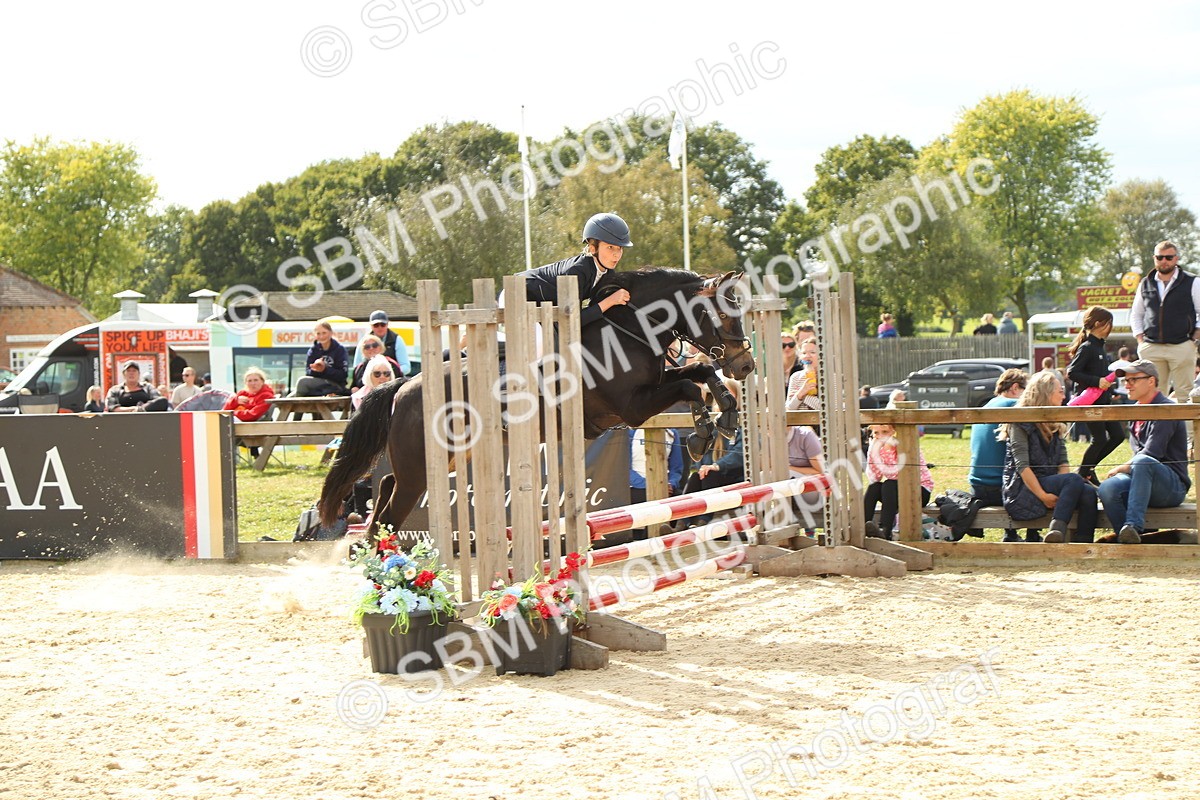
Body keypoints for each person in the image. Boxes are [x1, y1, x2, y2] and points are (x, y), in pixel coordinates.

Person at [1097, 360, 1191, 543]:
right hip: (1141, 481)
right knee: (1107, 488)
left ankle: (1133, 526)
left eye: (1133, 380)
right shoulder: (1136, 411)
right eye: (1125, 381)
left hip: (1172, 487)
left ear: (1151, 381)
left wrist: (1120, 468)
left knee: (1143, 461)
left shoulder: (1166, 409)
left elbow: (1151, 453)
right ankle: (1131, 538)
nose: (1127, 385)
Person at [999, 372, 1098, 544]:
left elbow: (1063, 461)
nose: (1064, 395)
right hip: (1022, 487)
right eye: (1060, 391)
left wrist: (1062, 486)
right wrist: (1043, 496)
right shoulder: (1019, 421)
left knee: (1088, 491)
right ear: (1046, 393)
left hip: (1046, 481)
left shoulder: (1055, 420)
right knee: (1073, 481)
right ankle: (1056, 531)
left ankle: (1083, 544)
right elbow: (1022, 466)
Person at [515, 212, 632, 327]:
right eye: (610, 247)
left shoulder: (608, 273)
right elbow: (572, 320)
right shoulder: (577, 271)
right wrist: (610, 301)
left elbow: (595, 311)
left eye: (619, 248)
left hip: (543, 309)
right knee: (542, 344)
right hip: (519, 294)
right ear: (593, 248)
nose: (617, 255)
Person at [966, 369, 1032, 542]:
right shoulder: (1013, 406)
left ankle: (1011, 534)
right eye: (1027, 390)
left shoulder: (986, 406)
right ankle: (1034, 533)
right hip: (1000, 488)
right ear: (1015, 388)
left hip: (977, 486)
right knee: (1039, 475)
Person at [1130, 240, 1200, 398]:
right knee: (1152, 395)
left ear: (1176, 259)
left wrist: (1194, 339)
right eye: (1160, 257)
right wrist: (1140, 340)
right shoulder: (1145, 283)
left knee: (1185, 394)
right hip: (1151, 346)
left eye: (1169, 257)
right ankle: (1155, 425)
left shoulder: (1193, 282)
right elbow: (1136, 314)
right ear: (1154, 258)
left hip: (1182, 345)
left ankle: (1186, 425)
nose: (1164, 261)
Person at [1066, 307, 1124, 486]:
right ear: (1099, 324)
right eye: (1109, 323)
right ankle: (1083, 473)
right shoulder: (1087, 347)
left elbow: (1102, 375)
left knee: (1118, 436)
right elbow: (1072, 373)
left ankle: (1087, 470)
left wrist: (1110, 391)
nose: (1111, 327)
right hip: (1090, 402)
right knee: (1099, 439)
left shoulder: (1100, 347)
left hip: (1104, 401)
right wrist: (1096, 381)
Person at [862, 423, 933, 540]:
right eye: (876, 433)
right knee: (874, 487)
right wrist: (872, 452)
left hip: (919, 491)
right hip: (895, 491)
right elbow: (875, 477)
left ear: (893, 431)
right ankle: (861, 527)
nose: (880, 436)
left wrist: (888, 451)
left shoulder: (904, 446)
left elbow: (900, 474)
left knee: (888, 484)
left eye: (885, 432)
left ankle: (885, 530)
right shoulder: (877, 447)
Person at [294, 321, 350, 397]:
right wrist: (316, 369)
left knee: (302, 382)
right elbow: (308, 372)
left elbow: (343, 375)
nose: (321, 336)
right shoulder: (313, 350)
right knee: (287, 398)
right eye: (318, 333)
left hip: (335, 385)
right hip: (317, 384)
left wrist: (324, 369)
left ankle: (297, 406)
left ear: (331, 333)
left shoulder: (340, 350)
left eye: (324, 333)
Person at [787, 425, 827, 526]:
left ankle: (802, 527)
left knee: (788, 475)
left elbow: (821, 471)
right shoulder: (768, 439)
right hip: (790, 493)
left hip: (815, 491)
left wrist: (790, 469)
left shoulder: (805, 435)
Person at [105, 363, 169, 413]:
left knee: (163, 400)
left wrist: (141, 409)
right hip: (122, 421)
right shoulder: (115, 390)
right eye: (128, 371)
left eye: (134, 371)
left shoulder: (148, 387)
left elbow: (159, 401)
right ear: (124, 374)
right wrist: (134, 409)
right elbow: (111, 407)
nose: (131, 373)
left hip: (146, 419)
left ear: (139, 374)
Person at [367, 310, 409, 377]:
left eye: (382, 325)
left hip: (393, 381)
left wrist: (388, 373)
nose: (379, 327)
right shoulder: (364, 341)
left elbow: (406, 367)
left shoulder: (397, 340)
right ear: (371, 326)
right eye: (376, 325)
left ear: (387, 324)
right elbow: (357, 366)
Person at [786, 338, 819, 410]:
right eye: (804, 353)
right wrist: (799, 394)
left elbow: (832, 408)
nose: (807, 356)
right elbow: (789, 408)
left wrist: (803, 396)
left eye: (812, 352)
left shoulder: (832, 377)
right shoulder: (796, 377)